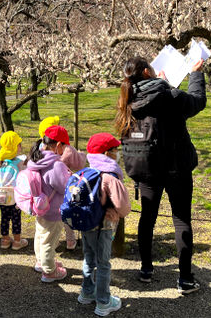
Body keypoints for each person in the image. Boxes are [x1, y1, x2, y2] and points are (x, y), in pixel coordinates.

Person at [115, 56, 206, 294]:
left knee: (148, 218)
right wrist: (195, 74)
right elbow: (197, 102)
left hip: (147, 169)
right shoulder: (169, 95)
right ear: (147, 72)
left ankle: (146, 269)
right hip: (177, 167)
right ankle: (185, 279)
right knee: (181, 219)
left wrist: (164, 86)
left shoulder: (128, 99)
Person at [77, 133, 131, 316]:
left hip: (86, 223)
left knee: (88, 257)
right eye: (115, 150)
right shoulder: (109, 176)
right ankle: (103, 302)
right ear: (107, 153)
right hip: (104, 226)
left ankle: (86, 292)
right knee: (103, 263)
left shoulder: (86, 172)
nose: (117, 153)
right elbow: (123, 207)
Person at [27, 125, 71, 282]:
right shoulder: (55, 164)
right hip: (53, 209)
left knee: (40, 235)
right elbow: (64, 186)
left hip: (40, 206)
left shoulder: (36, 159)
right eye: (65, 146)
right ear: (59, 145)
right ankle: (49, 271)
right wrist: (69, 176)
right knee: (49, 241)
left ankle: (42, 262)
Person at [38, 116, 86, 250]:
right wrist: (81, 155)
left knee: (44, 232)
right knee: (63, 220)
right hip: (57, 201)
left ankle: (51, 248)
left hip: (42, 200)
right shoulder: (61, 157)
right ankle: (50, 265)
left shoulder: (39, 150)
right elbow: (63, 184)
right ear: (59, 145)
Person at [0, 131, 28, 250]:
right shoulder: (20, 162)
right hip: (14, 196)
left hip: (0, 195)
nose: (20, 147)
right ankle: (17, 241)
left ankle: (5, 240)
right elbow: (25, 177)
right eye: (19, 144)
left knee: (4, 217)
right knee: (16, 218)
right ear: (15, 147)